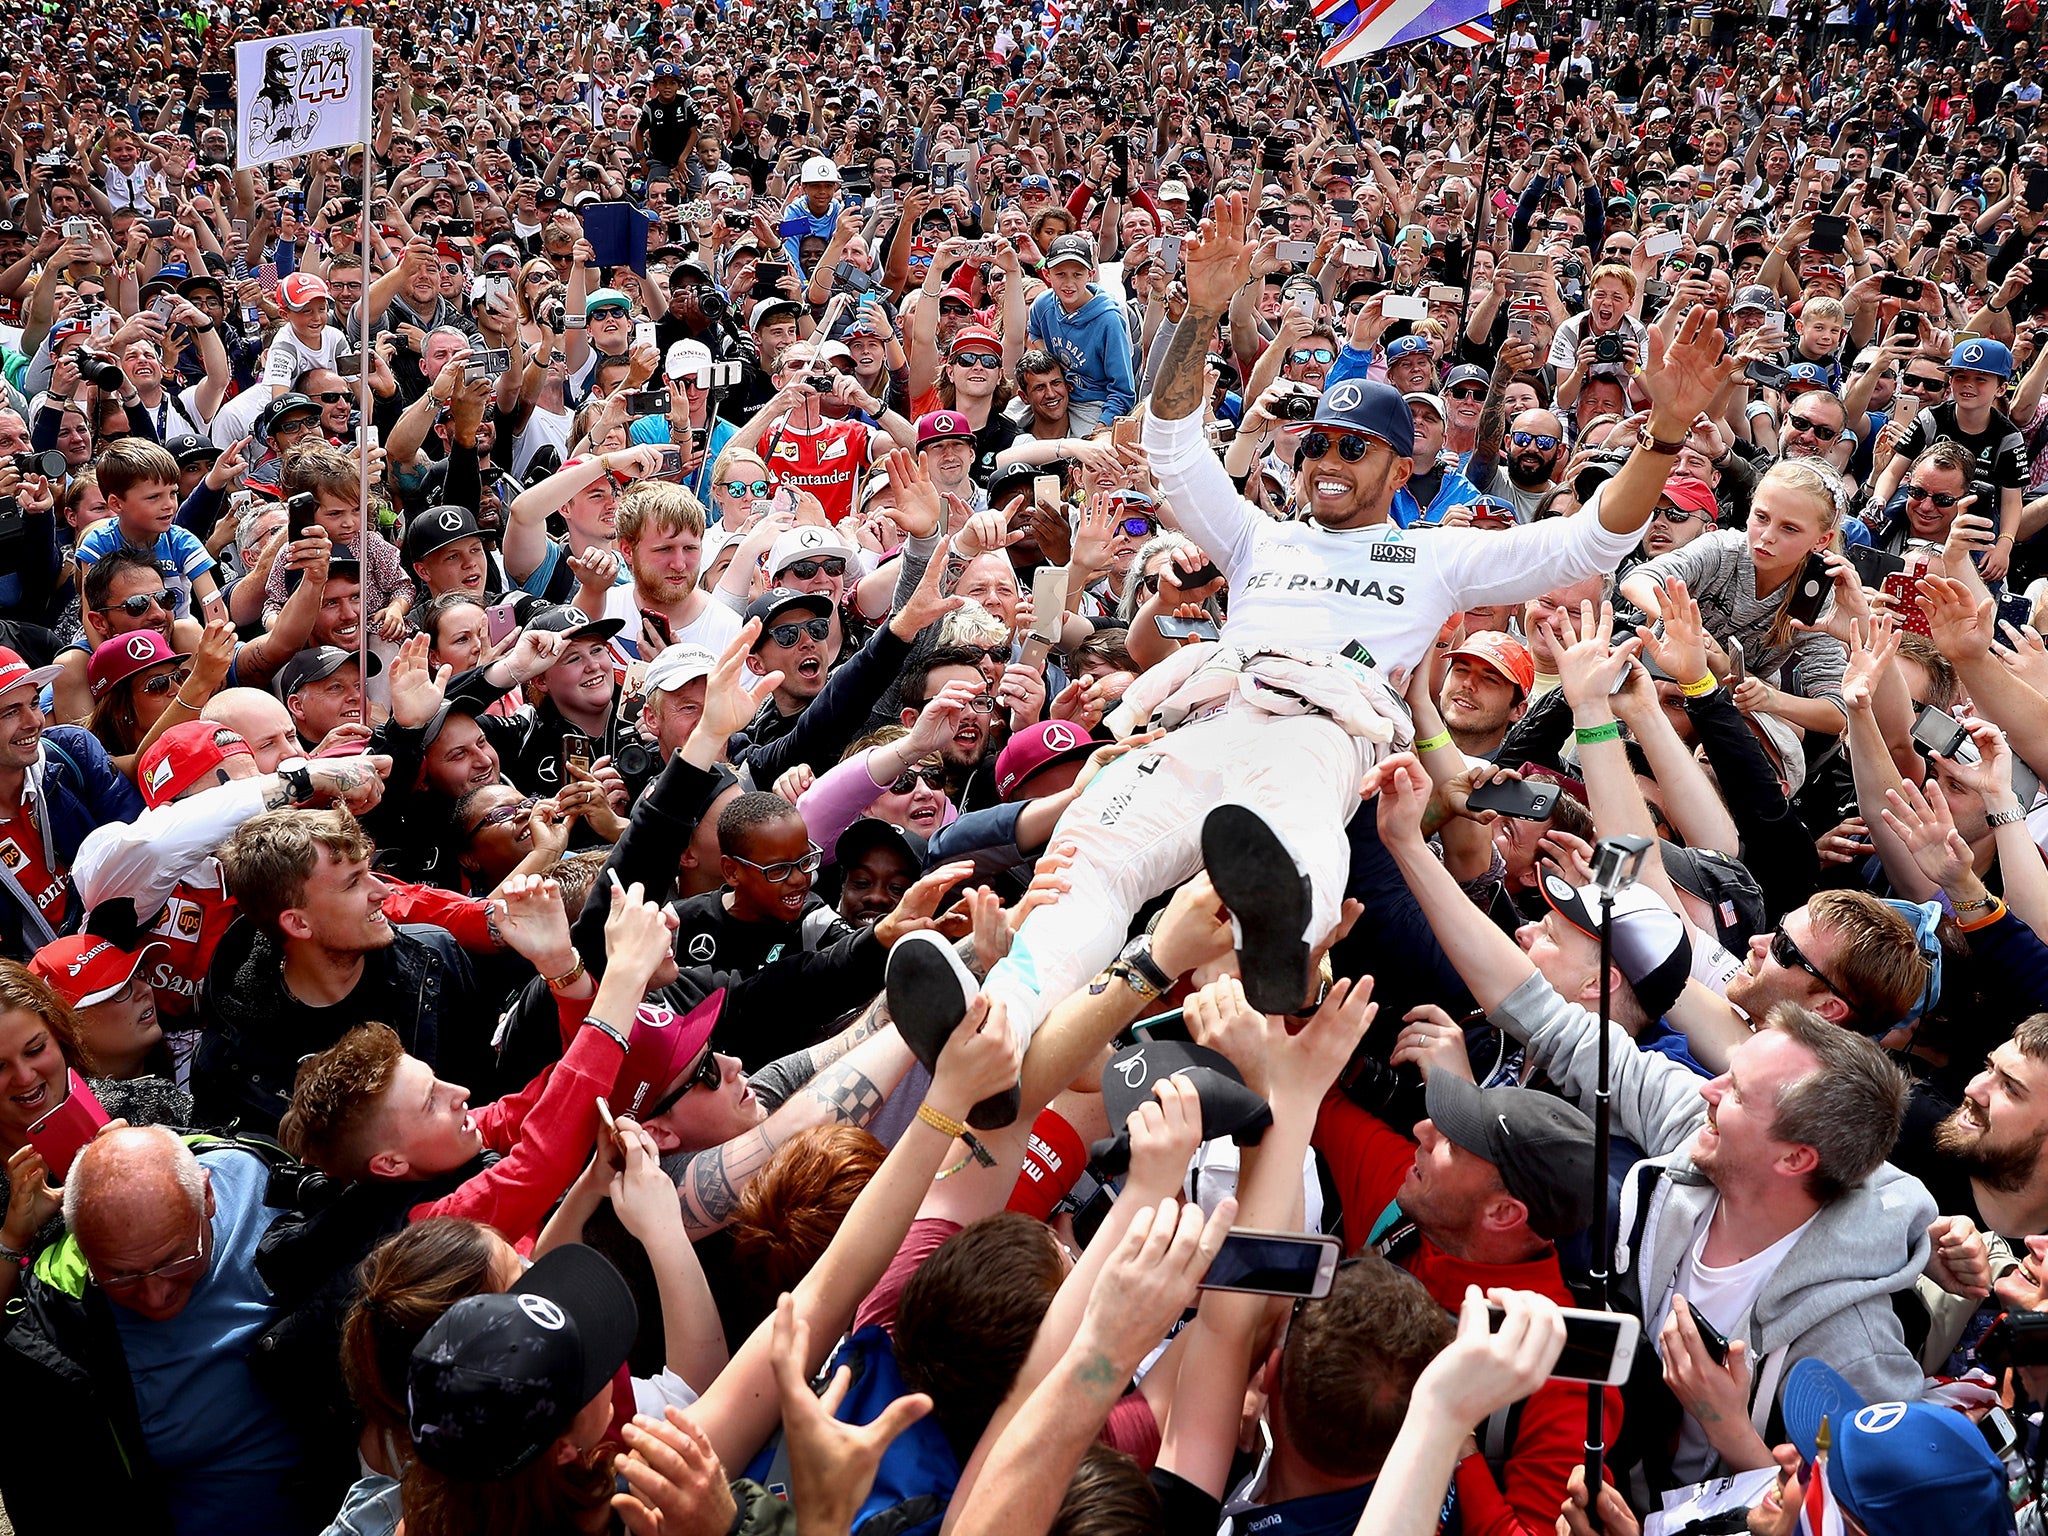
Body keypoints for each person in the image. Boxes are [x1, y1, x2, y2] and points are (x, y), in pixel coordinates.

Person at [0, 1125, 316, 1534]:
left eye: (175, 1260)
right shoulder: (61, 1322)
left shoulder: (271, 1183)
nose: (154, 1295)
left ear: (207, 1197)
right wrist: (12, 1241)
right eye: (120, 1275)